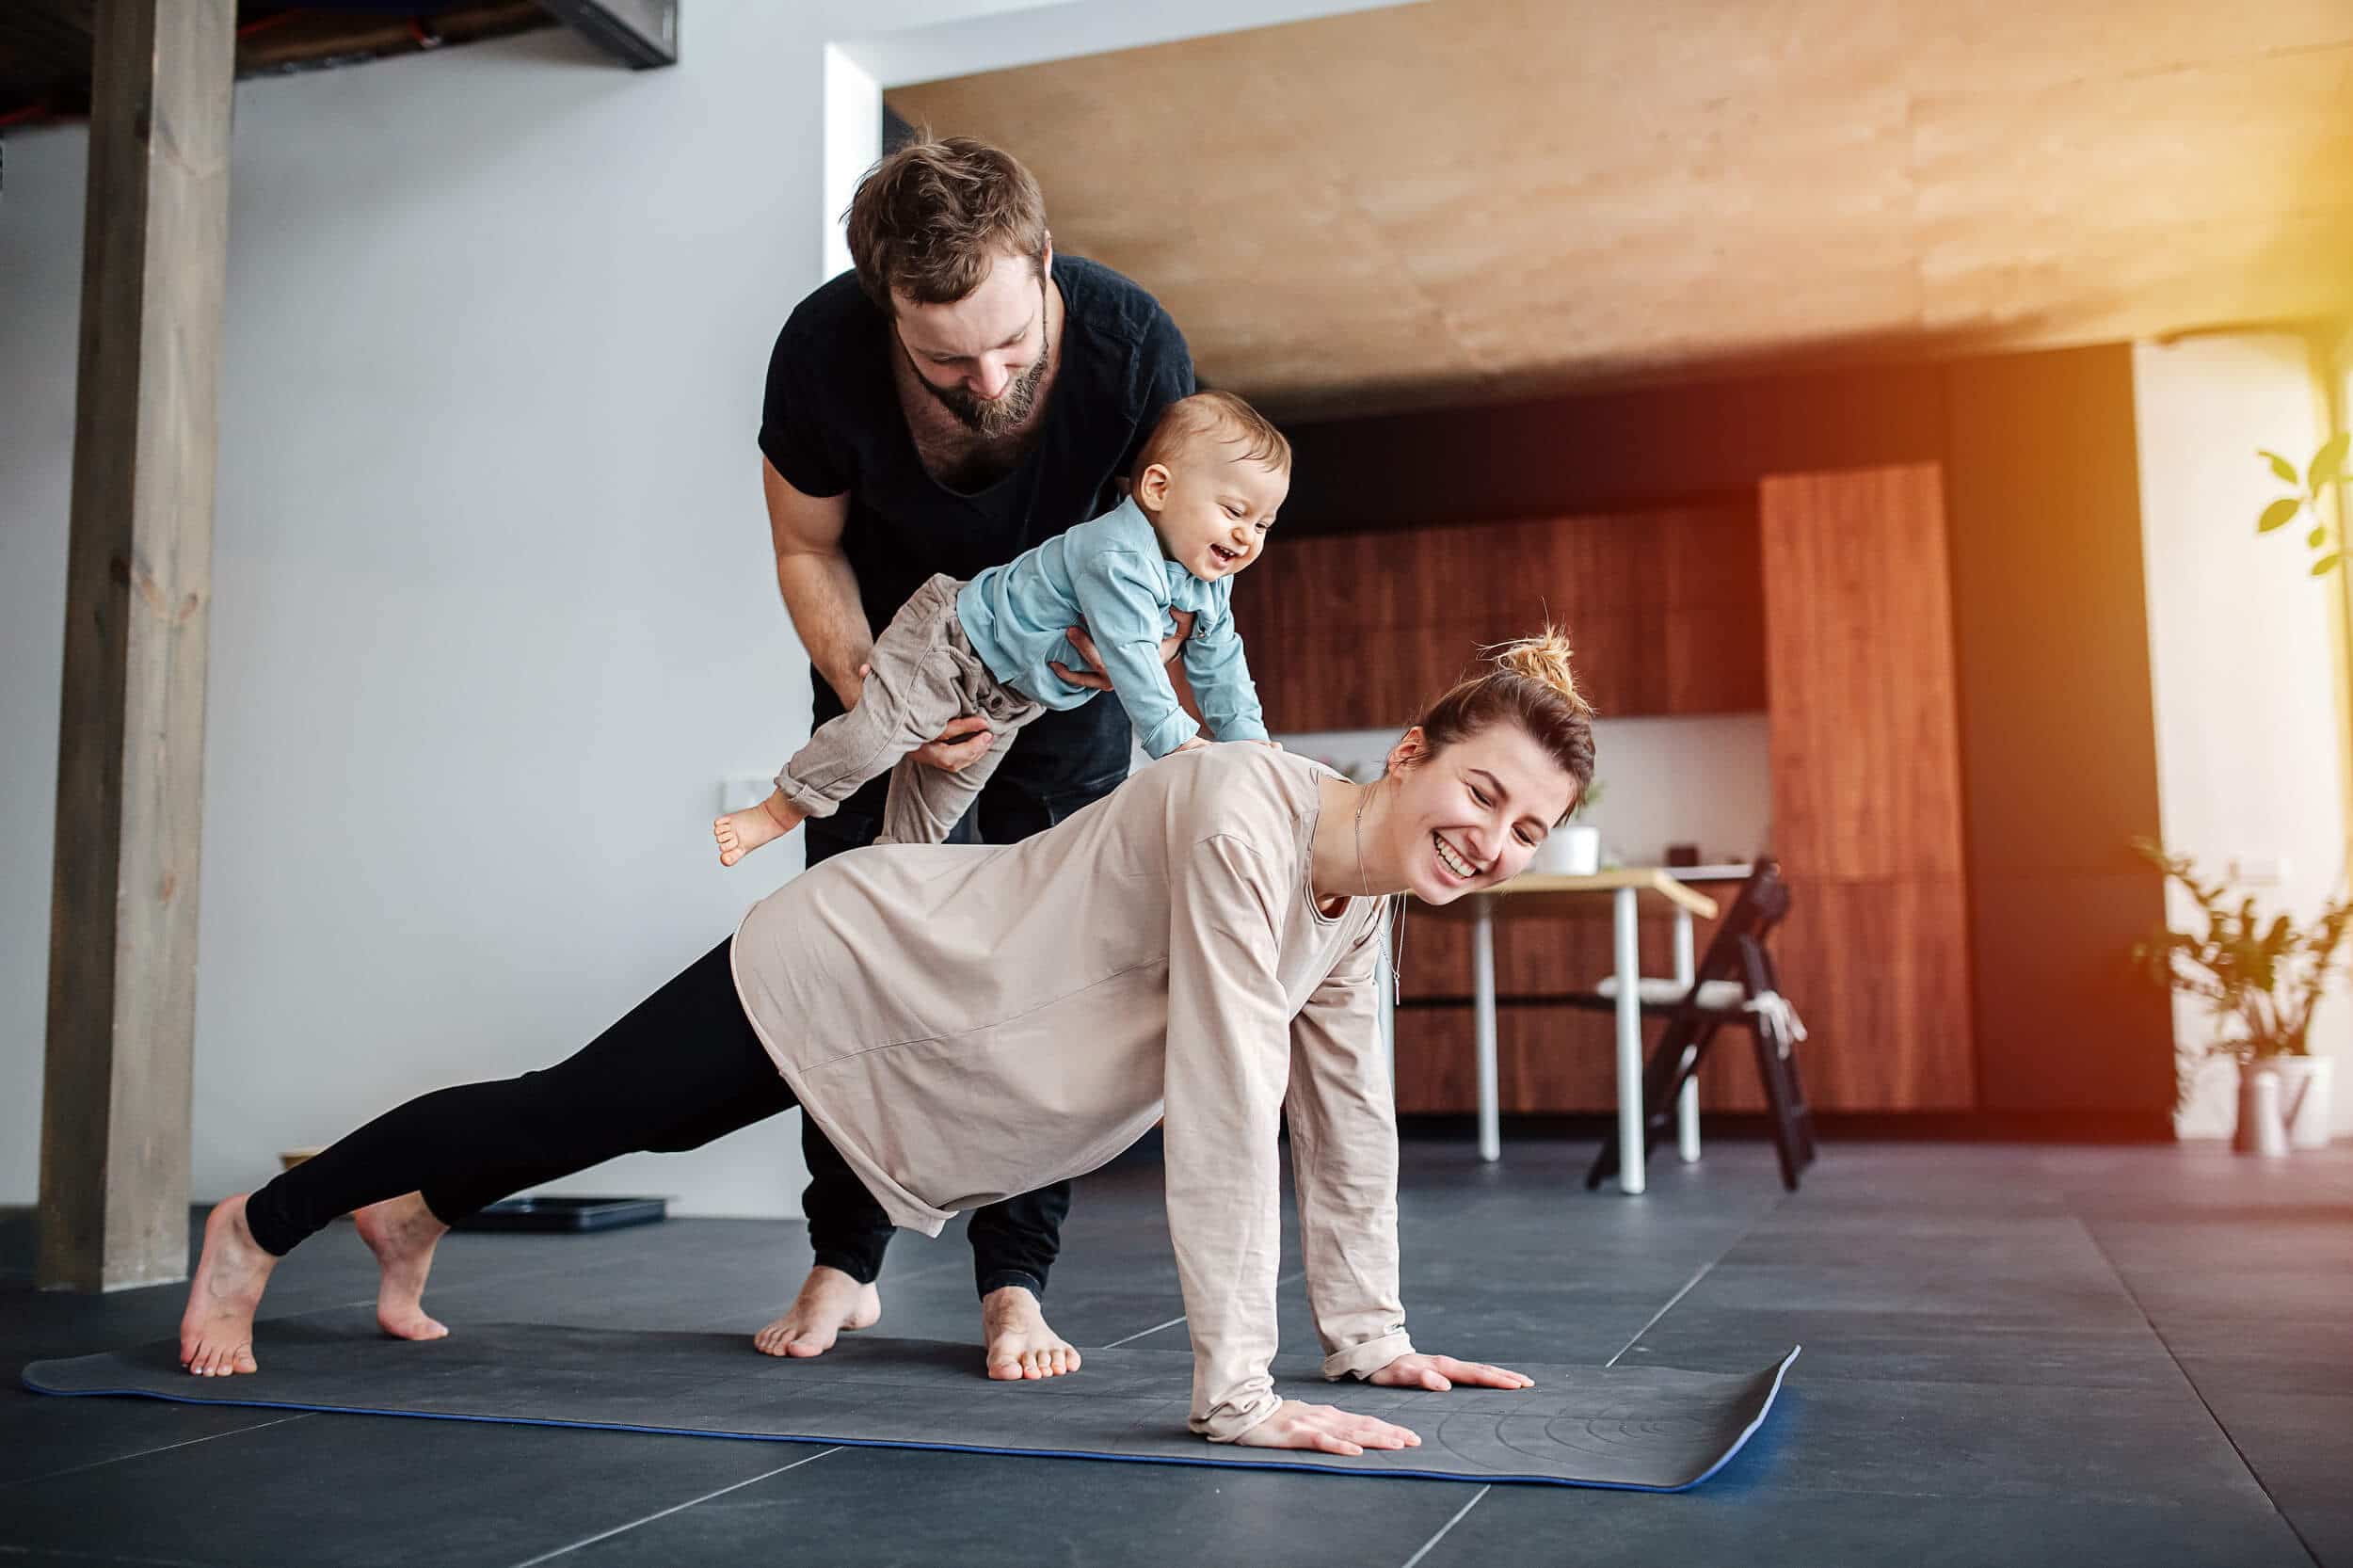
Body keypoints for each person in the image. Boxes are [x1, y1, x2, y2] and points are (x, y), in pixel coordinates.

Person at [177, 632, 1597, 1454]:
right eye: (1484, 791)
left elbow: (1349, 1126)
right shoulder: (1245, 812)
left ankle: (416, 1211)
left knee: (639, 1122)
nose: (1494, 841)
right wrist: (1236, 1393)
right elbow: (1227, 1104)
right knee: (584, 1111)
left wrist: (1371, 1340)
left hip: (946, 1040)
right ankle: (260, 1222)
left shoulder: (1358, 910)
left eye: (1527, 830)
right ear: (1409, 752)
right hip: (868, 959)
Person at [759, 134, 1197, 1379]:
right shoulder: (822, 352)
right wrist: (875, 688)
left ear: (1044, 263)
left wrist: (1058, 678)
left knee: (1043, 992)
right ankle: (845, 1257)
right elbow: (806, 548)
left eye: (1013, 344)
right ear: (883, 305)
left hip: (1067, 711)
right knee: (850, 970)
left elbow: (1180, 575)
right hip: (888, 696)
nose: (988, 377)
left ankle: (1015, 1283)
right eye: (946, 358)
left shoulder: (1131, 348)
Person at [714, 390, 1283, 865]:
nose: (1247, 537)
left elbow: (1222, 664)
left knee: (933, 817)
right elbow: (1132, 655)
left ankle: (882, 878)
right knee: (877, 737)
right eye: (1234, 512)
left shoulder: (1206, 583)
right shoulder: (1114, 555)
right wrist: (1179, 744)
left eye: (1263, 523)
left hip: (1008, 699)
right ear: (1158, 489)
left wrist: (1252, 750)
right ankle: (777, 809)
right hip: (950, 644)